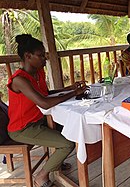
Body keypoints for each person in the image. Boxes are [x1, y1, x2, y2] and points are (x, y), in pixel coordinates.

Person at [7, 34, 87, 187]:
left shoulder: (38, 73)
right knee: (67, 144)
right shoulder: (19, 80)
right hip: (23, 128)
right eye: (41, 55)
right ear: (28, 56)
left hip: (39, 120)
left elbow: (44, 94)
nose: (45, 59)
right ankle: (41, 177)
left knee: (72, 127)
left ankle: (55, 162)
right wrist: (73, 93)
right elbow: (44, 103)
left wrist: (68, 88)